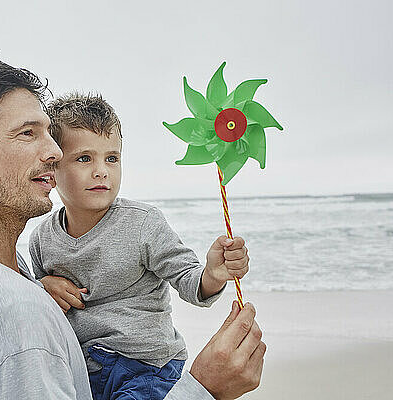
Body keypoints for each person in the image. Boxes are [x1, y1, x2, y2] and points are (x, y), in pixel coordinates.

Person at [0, 51, 266, 399]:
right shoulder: (13, 313)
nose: (55, 152)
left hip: (145, 368)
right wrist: (205, 388)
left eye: (49, 134)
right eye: (28, 133)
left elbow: (187, 278)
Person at [29, 93, 251, 400]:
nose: (101, 171)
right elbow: (42, 314)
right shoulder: (42, 239)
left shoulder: (143, 223)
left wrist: (213, 273)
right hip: (84, 370)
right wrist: (44, 287)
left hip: (147, 367)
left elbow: (188, 280)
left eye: (112, 158)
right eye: (84, 158)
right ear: (52, 168)